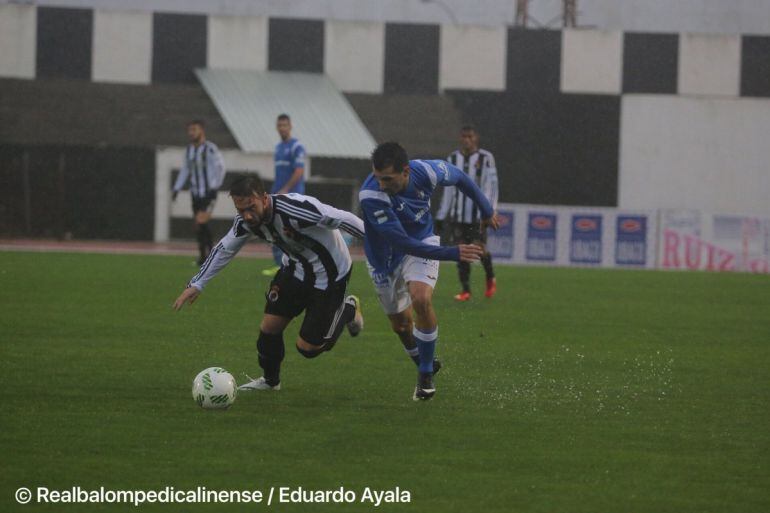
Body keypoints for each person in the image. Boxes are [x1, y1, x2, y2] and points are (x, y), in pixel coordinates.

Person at [173, 175, 364, 391]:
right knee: (269, 329)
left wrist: (381, 245)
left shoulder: (296, 209)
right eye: (240, 209)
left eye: (251, 207)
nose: (247, 215)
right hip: (295, 269)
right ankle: (271, 381)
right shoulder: (245, 222)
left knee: (308, 348)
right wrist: (197, 284)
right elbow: (225, 249)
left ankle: (348, 308)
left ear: (264, 198)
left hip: (330, 276)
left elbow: (345, 219)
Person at [359, 142, 499, 401]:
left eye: (387, 179)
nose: (381, 184)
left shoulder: (426, 171)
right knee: (401, 326)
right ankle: (424, 360)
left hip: (422, 243)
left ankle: (425, 375)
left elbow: (460, 177)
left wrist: (486, 209)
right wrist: (452, 253)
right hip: (384, 259)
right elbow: (401, 243)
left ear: (406, 171)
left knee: (421, 299)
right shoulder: (371, 196)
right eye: (378, 178)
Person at [436, 125, 499, 301]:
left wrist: (489, 210)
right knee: (462, 250)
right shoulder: (452, 158)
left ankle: (490, 277)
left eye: (470, 136)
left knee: (479, 249)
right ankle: (466, 290)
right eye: (464, 136)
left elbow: (492, 186)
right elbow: (448, 190)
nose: (466, 140)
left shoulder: (486, 158)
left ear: (476, 138)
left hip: (478, 215)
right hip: (458, 215)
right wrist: (441, 215)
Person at [171, 119, 226, 265]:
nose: (191, 133)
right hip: (195, 193)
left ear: (202, 130)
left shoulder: (210, 148)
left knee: (202, 221)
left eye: (194, 129)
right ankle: (205, 256)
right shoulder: (189, 150)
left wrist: (215, 188)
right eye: (189, 130)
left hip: (208, 193)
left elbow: (220, 168)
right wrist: (176, 188)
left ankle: (210, 256)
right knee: (199, 225)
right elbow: (185, 170)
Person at [263, 113, 307, 276]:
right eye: (279, 125)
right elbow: (279, 173)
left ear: (290, 127)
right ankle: (279, 264)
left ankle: (298, 264)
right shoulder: (278, 148)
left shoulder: (297, 147)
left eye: (285, 125)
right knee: (275, 228)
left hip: (293, 196)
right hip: (278, 194)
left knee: (292, 230)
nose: (282, 128)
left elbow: (299, 170)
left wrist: (287, 188)